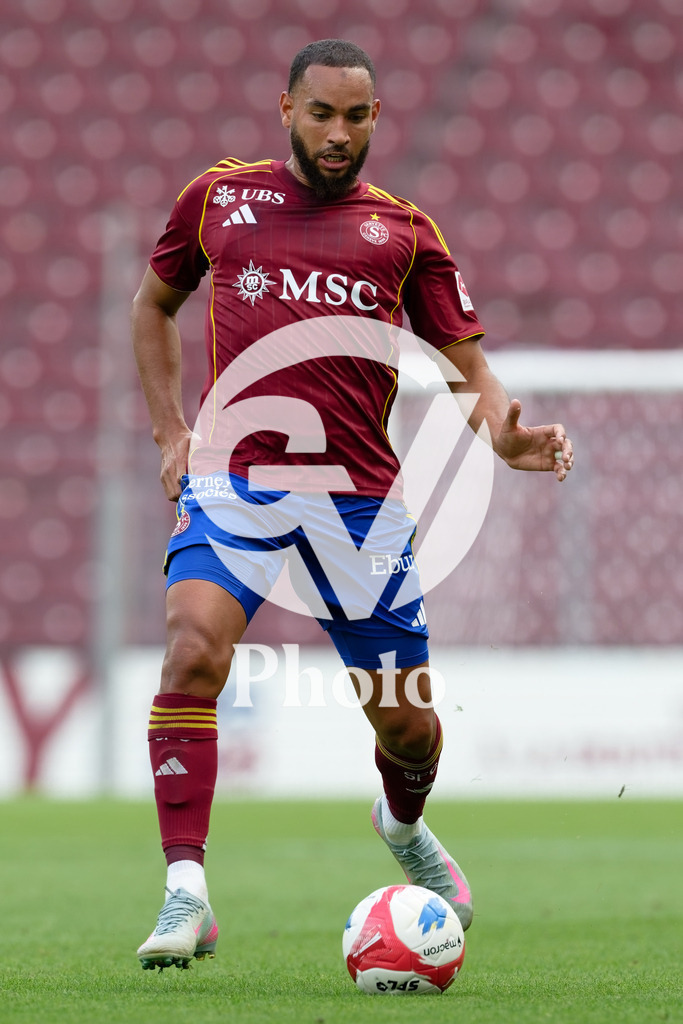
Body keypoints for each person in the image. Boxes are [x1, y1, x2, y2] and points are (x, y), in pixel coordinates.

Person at [131, 38, 574, 971]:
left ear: (376, 118)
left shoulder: (405, 233)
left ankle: (402, 822)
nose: (338, 133)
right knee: (192, 648)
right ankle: (186, 891)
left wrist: (503, 437)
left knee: (407, 727)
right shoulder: (218, 199)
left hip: (359, 502)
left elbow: (467, 366)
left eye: (356, 116)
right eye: (322, 113)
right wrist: (171, 431)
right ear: (285, 110)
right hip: (236, 480)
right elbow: (152, 304)